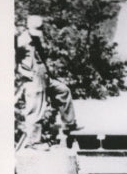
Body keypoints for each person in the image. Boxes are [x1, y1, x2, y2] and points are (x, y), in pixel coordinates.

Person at [15, 14, 79, 148]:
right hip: (33, 79)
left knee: (63, 91)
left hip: (45, 76)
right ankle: (34, 141)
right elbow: (13, 61)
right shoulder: (21, 41)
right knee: (35, 108)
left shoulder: (36, 38)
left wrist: (49, 74)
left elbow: (42, 59)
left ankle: (69, 125)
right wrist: (25, 74)